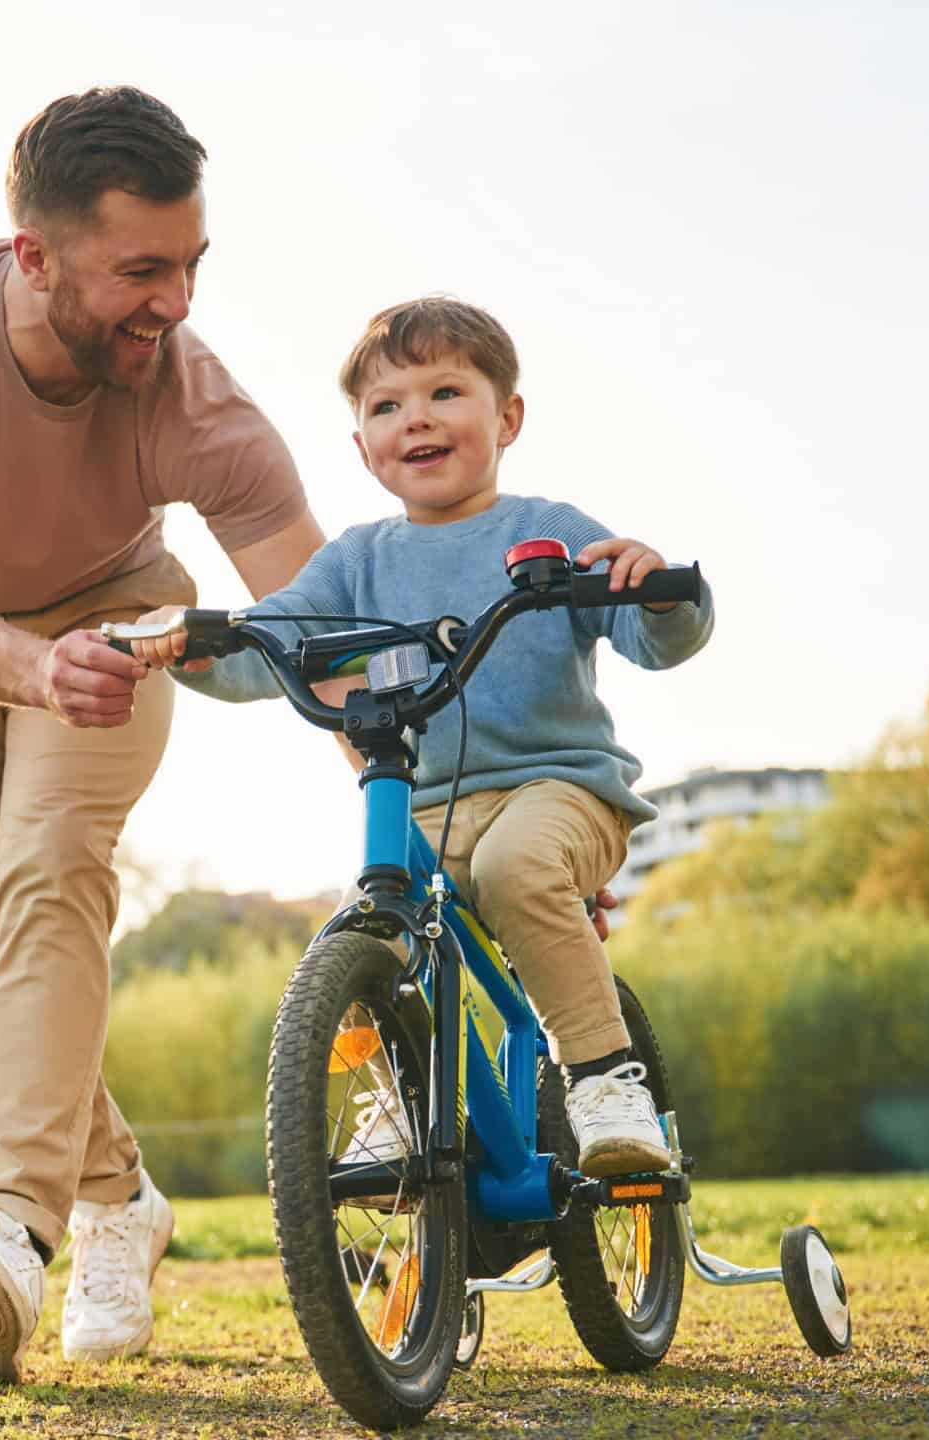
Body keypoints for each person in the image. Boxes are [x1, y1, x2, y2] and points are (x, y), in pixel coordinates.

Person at [0, 87, 330, 1383]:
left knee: (52, 868)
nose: (177, 302)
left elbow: (330, 632)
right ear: (32, 258)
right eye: (142, 270)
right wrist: (24, 664)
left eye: (193, 265)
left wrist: (451, 808)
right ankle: (118, 1195)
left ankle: (7, 1228)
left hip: (117, 623)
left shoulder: (190, 401)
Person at [126, 296, 713, 1177]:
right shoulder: (357, 562)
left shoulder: (544, 532)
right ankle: (401, 1110)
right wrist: (194, 645)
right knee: (370, 934)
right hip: (424, 806)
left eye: (445, 392)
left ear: (506, 418)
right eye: (386, 406)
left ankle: (602, 1078)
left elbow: (652, 637)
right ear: (363, 448)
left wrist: (657, 591)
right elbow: (275, 637)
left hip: (559, 792)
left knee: (519, 868)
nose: (418, 419)